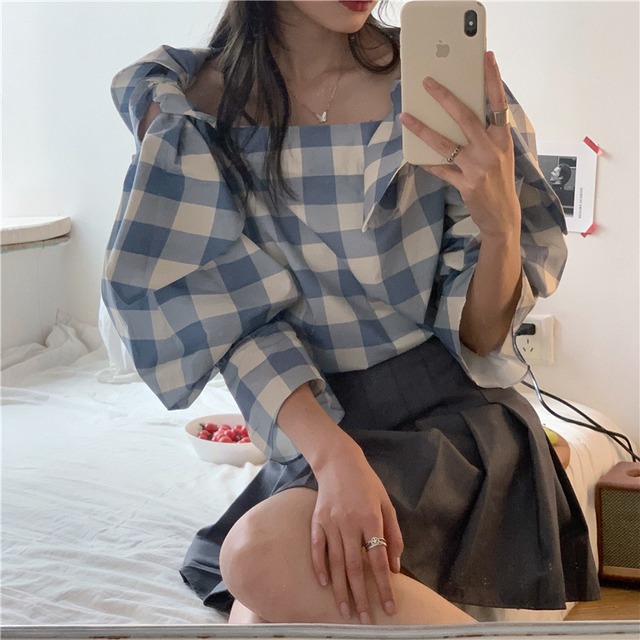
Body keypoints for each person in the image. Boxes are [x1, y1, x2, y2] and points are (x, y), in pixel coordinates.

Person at [103, 0, 599, 626]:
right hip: (313, 425)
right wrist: (333, 457)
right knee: (255, 607)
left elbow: (480, 335)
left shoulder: (438, 89)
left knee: (258, 560)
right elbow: (226, 318)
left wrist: (501, 227)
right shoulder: (190, 109)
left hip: (446, 419)